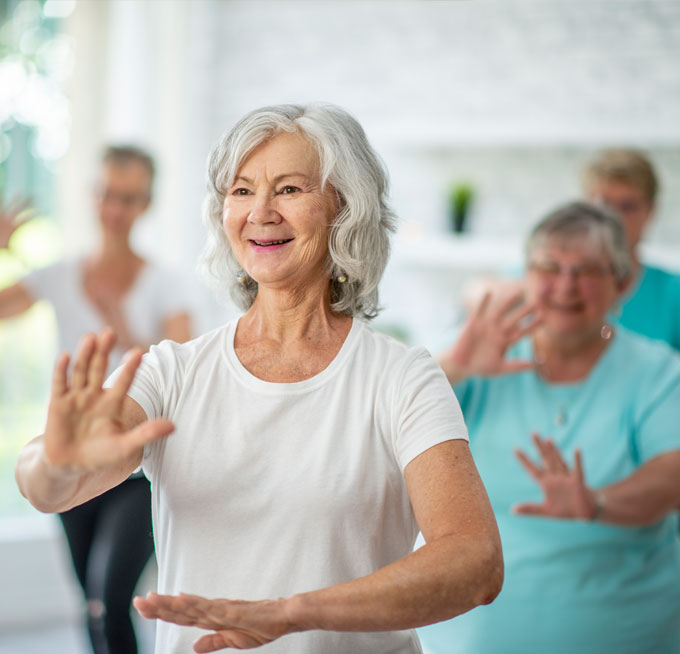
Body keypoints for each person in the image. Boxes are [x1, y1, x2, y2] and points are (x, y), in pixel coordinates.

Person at [15, 103, 503, 654]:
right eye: (241, 191)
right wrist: (55, 461)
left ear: (345, 205)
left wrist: (294, 613)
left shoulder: (402, 377)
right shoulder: (173, 371)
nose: (260, 212)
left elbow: (475, 561)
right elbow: (46, 486)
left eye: (290, 189)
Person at [420, 201, 680, 654]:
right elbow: (381, 423)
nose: (566, 285)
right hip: (464, 634)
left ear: (622, 283)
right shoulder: (476, 351)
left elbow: (672, 474)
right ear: (524, 275)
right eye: (549, 267)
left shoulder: (656, 371)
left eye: (587, 270)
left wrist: (597, 503)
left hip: (625, 632)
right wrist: (457, 366)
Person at [2, 145, 194, 654]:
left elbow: (185, 366)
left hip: (137, 469)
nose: (115, 210)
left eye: (128, 198)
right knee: (90, 603)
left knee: (113, 599)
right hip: (72, 459)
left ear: (146, 204)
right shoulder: (57, 274)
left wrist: (123, 326)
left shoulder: (166, 284)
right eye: (108, 194)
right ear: (92, 196)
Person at [582, 148, 680, 350]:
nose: (614, 219)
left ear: (650, 211)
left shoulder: (673, 294)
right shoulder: (554, 286)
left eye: (628, 207)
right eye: (603, 206)